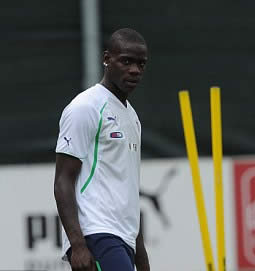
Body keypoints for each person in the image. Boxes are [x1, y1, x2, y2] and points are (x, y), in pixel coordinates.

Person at [54, 28, 150, 271]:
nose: (135, 70)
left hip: (124, 239)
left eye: (141, 64)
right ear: (107, 59)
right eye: (126, 61)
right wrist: (78, 246)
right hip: (96, 234)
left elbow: (128, 191)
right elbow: (63, 180)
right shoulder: (85, 107)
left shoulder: (132, 117)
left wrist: (141, 256)